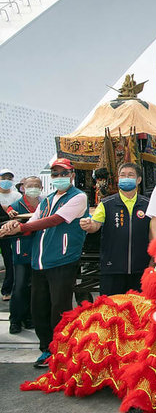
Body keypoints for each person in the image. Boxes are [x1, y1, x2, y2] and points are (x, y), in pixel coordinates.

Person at [0, 158, 88, 368]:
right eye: (55, 174)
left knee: (59, 308)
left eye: (63, 173)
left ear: (72, 175)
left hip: (63, 261)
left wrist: (20, 228)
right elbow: (31, 224)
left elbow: (56, 220)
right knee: (39, 308)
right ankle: (46, 349)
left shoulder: (78, 197)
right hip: (39, 262)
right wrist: (13, 225)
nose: (59, 177)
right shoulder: (46, 200)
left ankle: (61, 349)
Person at [79, 163, 150, 295]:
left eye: (130, 175)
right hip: (112, 268)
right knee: (112, 309)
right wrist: (88, 226)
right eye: (122, 175)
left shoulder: (148, 204)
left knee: (140, 310)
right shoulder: (106, 204)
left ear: (138, 180)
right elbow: (95, 225)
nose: (126, 178)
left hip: (141, 268)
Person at [7, 176, 42, 333]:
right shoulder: (16, 205)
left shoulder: (44, 203)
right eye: (30, 185)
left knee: (34, 286)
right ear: (23, 187)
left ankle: (29, 317)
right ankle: (15, 319)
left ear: (41, 188)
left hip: (39, 249)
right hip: (22, 248)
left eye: (36, 185)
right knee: (20, 285)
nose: (33, 188)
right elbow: (10, 216)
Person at [0, 168, 22, 300]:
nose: (6, 181)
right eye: (3, 178)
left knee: (10, 260)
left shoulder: (17, 196)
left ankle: (7, 290)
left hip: (11, 229)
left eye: (9, 178)